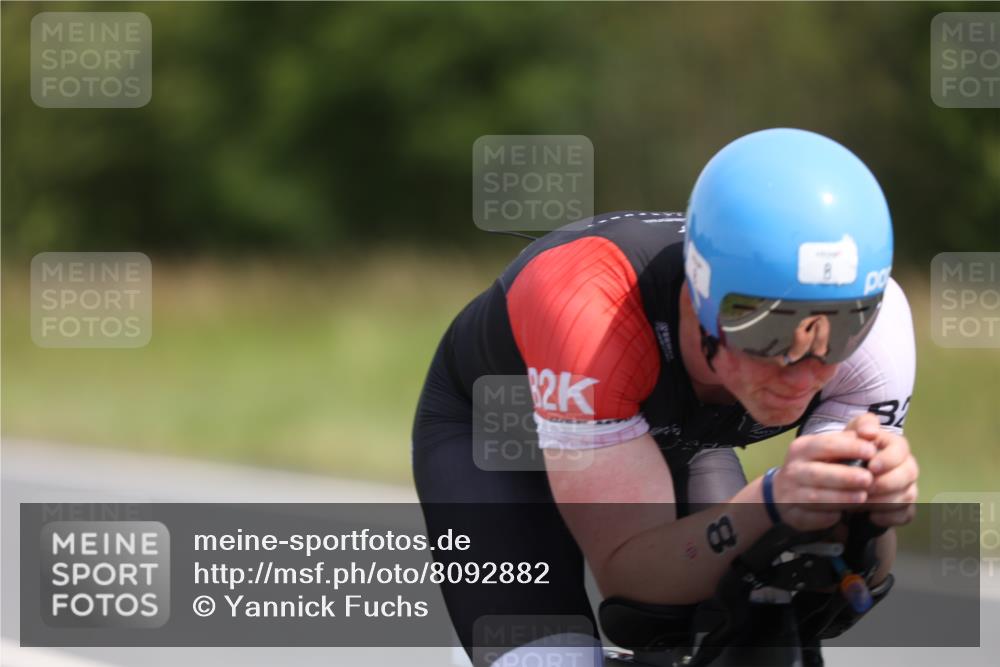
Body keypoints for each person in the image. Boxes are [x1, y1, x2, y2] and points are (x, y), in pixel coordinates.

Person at [412, 128, 919, 667]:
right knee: (557, 657)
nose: (802, 372)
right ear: (698, 299)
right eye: (770, 332)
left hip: (670, 433)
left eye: (841, 331)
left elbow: (846, 587)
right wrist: (771, 500)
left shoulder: (881, 329)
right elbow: (629, 577)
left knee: (756, 612)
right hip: (499, 437)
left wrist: (873, 514)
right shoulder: (592, 314)